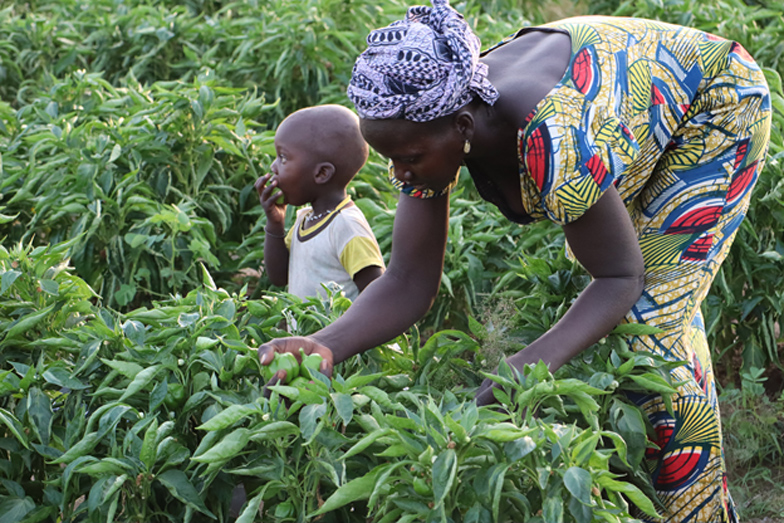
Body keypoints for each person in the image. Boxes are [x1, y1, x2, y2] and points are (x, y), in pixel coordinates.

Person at [258, 2, 771, 521]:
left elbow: (619, 276)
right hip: (619, 107)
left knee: (650, 318)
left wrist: (521, 370)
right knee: (633, 304)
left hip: (713, 103)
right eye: (392, 159)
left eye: (408, 160)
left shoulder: (551, 137)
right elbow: (410, 281)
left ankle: (698, 511)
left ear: (462, 126)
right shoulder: (432, 121)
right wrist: (323, 345)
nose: (401, 174)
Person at [255, 104, 385, 303]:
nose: (273, 166)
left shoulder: (347, 227)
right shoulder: (304, 218)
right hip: (307, 334)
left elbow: (378, 298)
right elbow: (279, 277)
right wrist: (275, 224)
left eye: (283, 157)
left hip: (337, 335)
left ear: (322, 173)